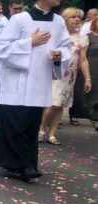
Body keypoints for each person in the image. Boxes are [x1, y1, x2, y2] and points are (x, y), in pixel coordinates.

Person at [0, 0, 71, 182]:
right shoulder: (20, 19)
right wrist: (30, 42)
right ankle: (16, 166)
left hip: (39, 81)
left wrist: (59, 54)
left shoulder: (59, 21)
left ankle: (28, 165)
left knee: (30, 123)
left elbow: (66, 46)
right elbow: (3, 48)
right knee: (16, 123)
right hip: (16, 82)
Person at [39, 7, 88, 146]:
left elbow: (83, 59)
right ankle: (41, 129)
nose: (77, 20)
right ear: (65, 20)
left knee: (61, 105)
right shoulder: (57, 34)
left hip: (70, 76)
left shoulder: (82, 38)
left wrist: (87, 78)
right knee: (52, 103)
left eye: (78, 17)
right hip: (56, 72)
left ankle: (52, 134)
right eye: (73, 17)